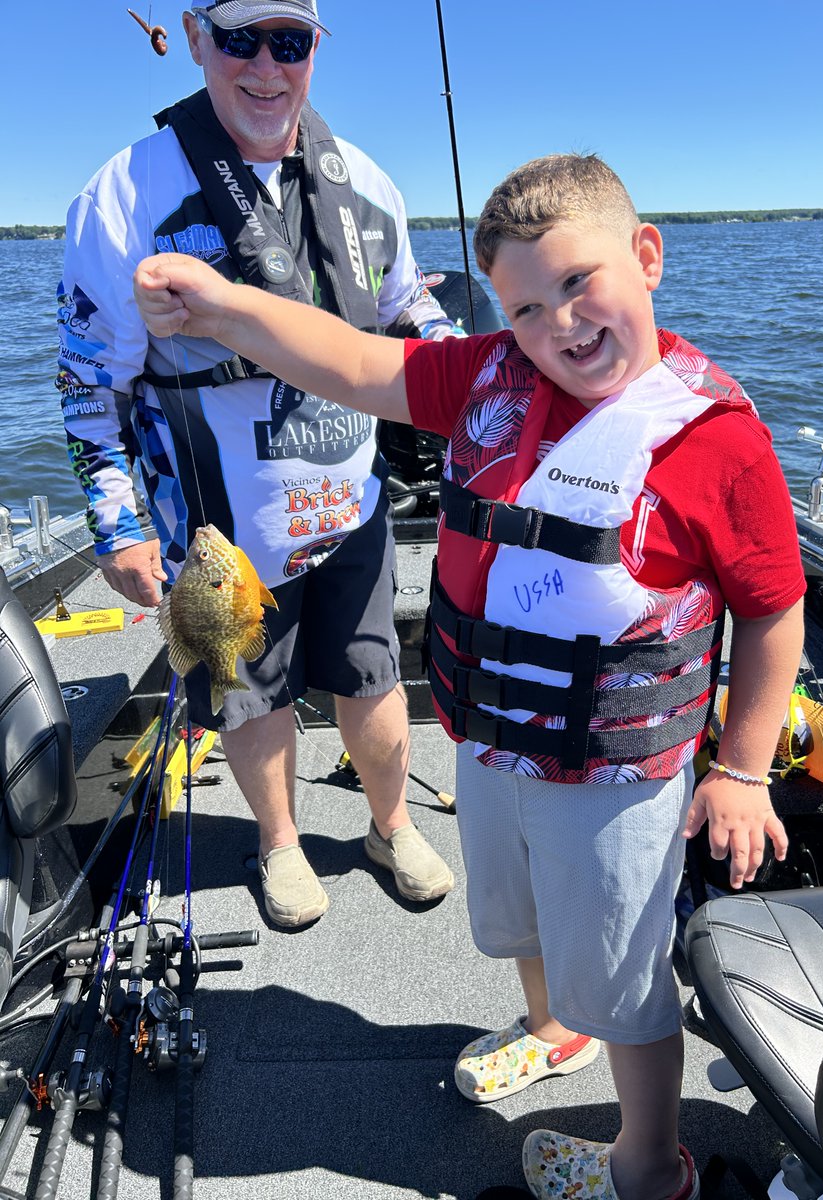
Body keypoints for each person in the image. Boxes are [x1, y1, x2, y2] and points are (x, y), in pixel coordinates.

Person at [132, 152, 807, 1200]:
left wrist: (748, 769)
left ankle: (648, 1165)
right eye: (527, 307)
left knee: (626, 984)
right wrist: (224, 309)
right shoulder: (489, 375)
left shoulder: (717, 439)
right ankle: (550, 1030)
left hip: (617, 778)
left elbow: (772, 607)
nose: (561, 327)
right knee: (518, 921)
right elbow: (352, 361)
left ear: (647, 256)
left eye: (580, 283)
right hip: (489, 743)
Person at [56, 0, 461, 930]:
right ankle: (280, 842)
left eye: (290, 41)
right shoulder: (122, 195)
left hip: (352, 506)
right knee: (250, 696)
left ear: (316, 48)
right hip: (216, 527)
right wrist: (116, 524)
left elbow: (412, 318)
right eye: (239, 39)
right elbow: (86, 385)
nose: (265, 66)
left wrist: (488, 377)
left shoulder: (364, 182)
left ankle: (388, 824)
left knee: (374, 682)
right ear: (196, 39)